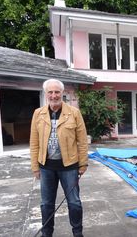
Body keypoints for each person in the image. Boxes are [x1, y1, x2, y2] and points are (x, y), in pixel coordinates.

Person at [30, 79, 88, 237]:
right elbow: (34, 142)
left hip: (69, 166)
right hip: (46, 167)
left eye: (57, 92)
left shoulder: (74, 113)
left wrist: (83, 164)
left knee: (74, 202)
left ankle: (78, 233)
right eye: (50, 92)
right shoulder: (38, 113)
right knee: (46, 204)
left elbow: (82, 141)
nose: (53, 95)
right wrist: (35, 166)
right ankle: (47, 233)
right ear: (45, 93)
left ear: (62, 93)